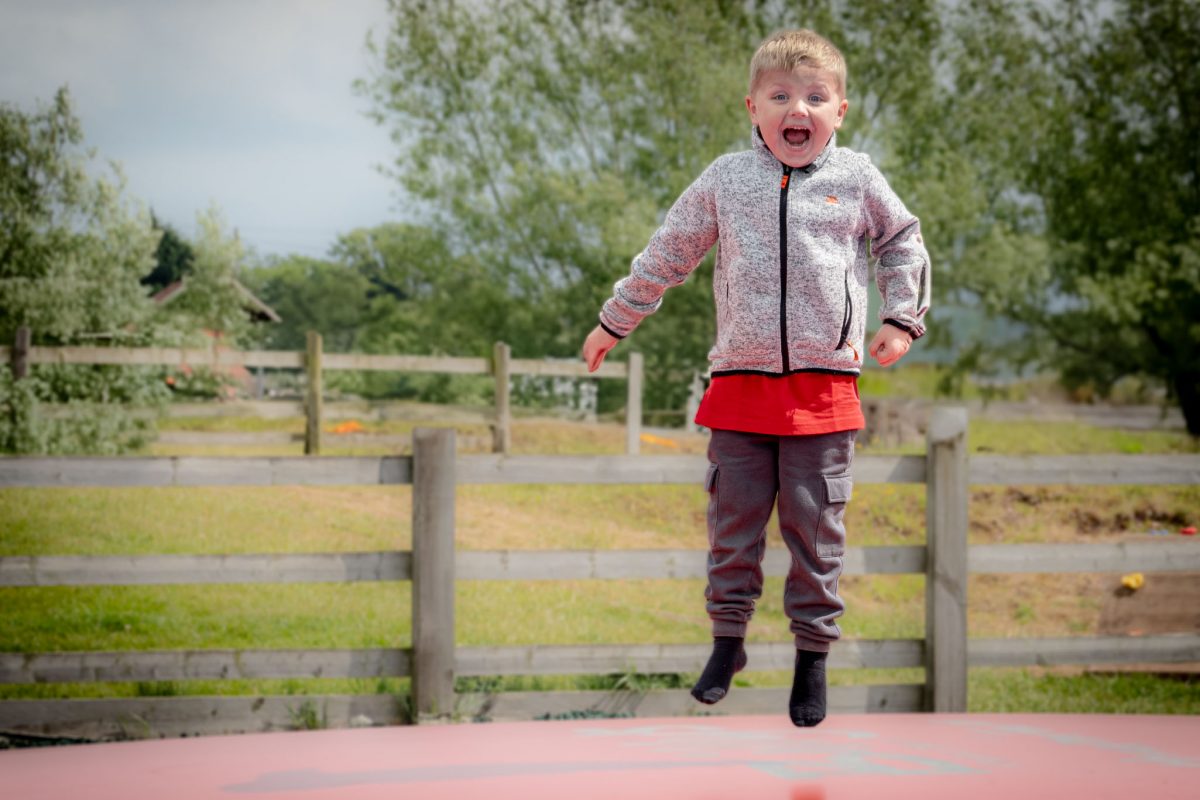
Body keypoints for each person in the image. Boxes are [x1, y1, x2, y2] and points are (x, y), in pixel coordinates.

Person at [581, 29, 930, 727]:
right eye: (780, 95)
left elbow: (901, 241)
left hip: (822, 394)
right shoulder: (725, 179)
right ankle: (728, 639)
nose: (796, 107)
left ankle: (812, 658)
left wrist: (902, 319)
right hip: (738, 391)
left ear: (840, 111)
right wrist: (615, 322)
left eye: (814, 97)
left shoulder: (856, 178)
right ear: (753, 107)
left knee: (815, 531)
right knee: (731, 527)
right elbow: (668, 252)